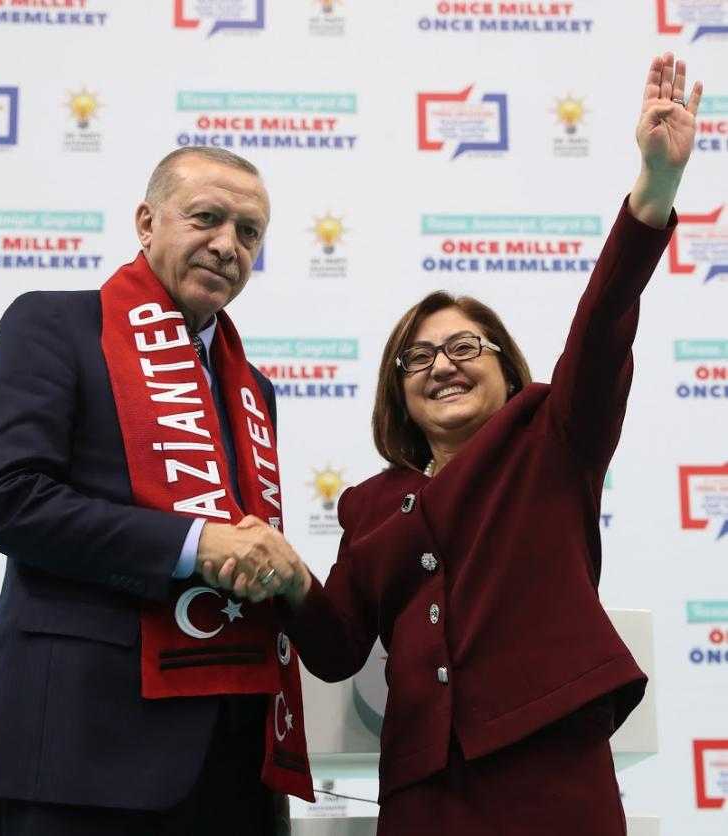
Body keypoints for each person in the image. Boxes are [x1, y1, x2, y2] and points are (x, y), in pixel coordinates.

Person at [209, 54, 703, 834]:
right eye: (417, 357)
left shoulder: (552, 437)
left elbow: (603, 322)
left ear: (506, 369)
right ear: (398, 394)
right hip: (422, 787)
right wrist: (289, 576)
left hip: (550, 765)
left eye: (465, 347)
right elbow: (336, 648)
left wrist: (654, 187)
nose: (441, 365)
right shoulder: (369, 504)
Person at [0, 147, 314, 836]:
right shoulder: (53, 325)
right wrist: (195, 544)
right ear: (146, 223)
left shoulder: (253, 388)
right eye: (206, 218)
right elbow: (12, 500)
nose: (228, 245)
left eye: (248, 232)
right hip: (77, 748)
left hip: (232, 759)